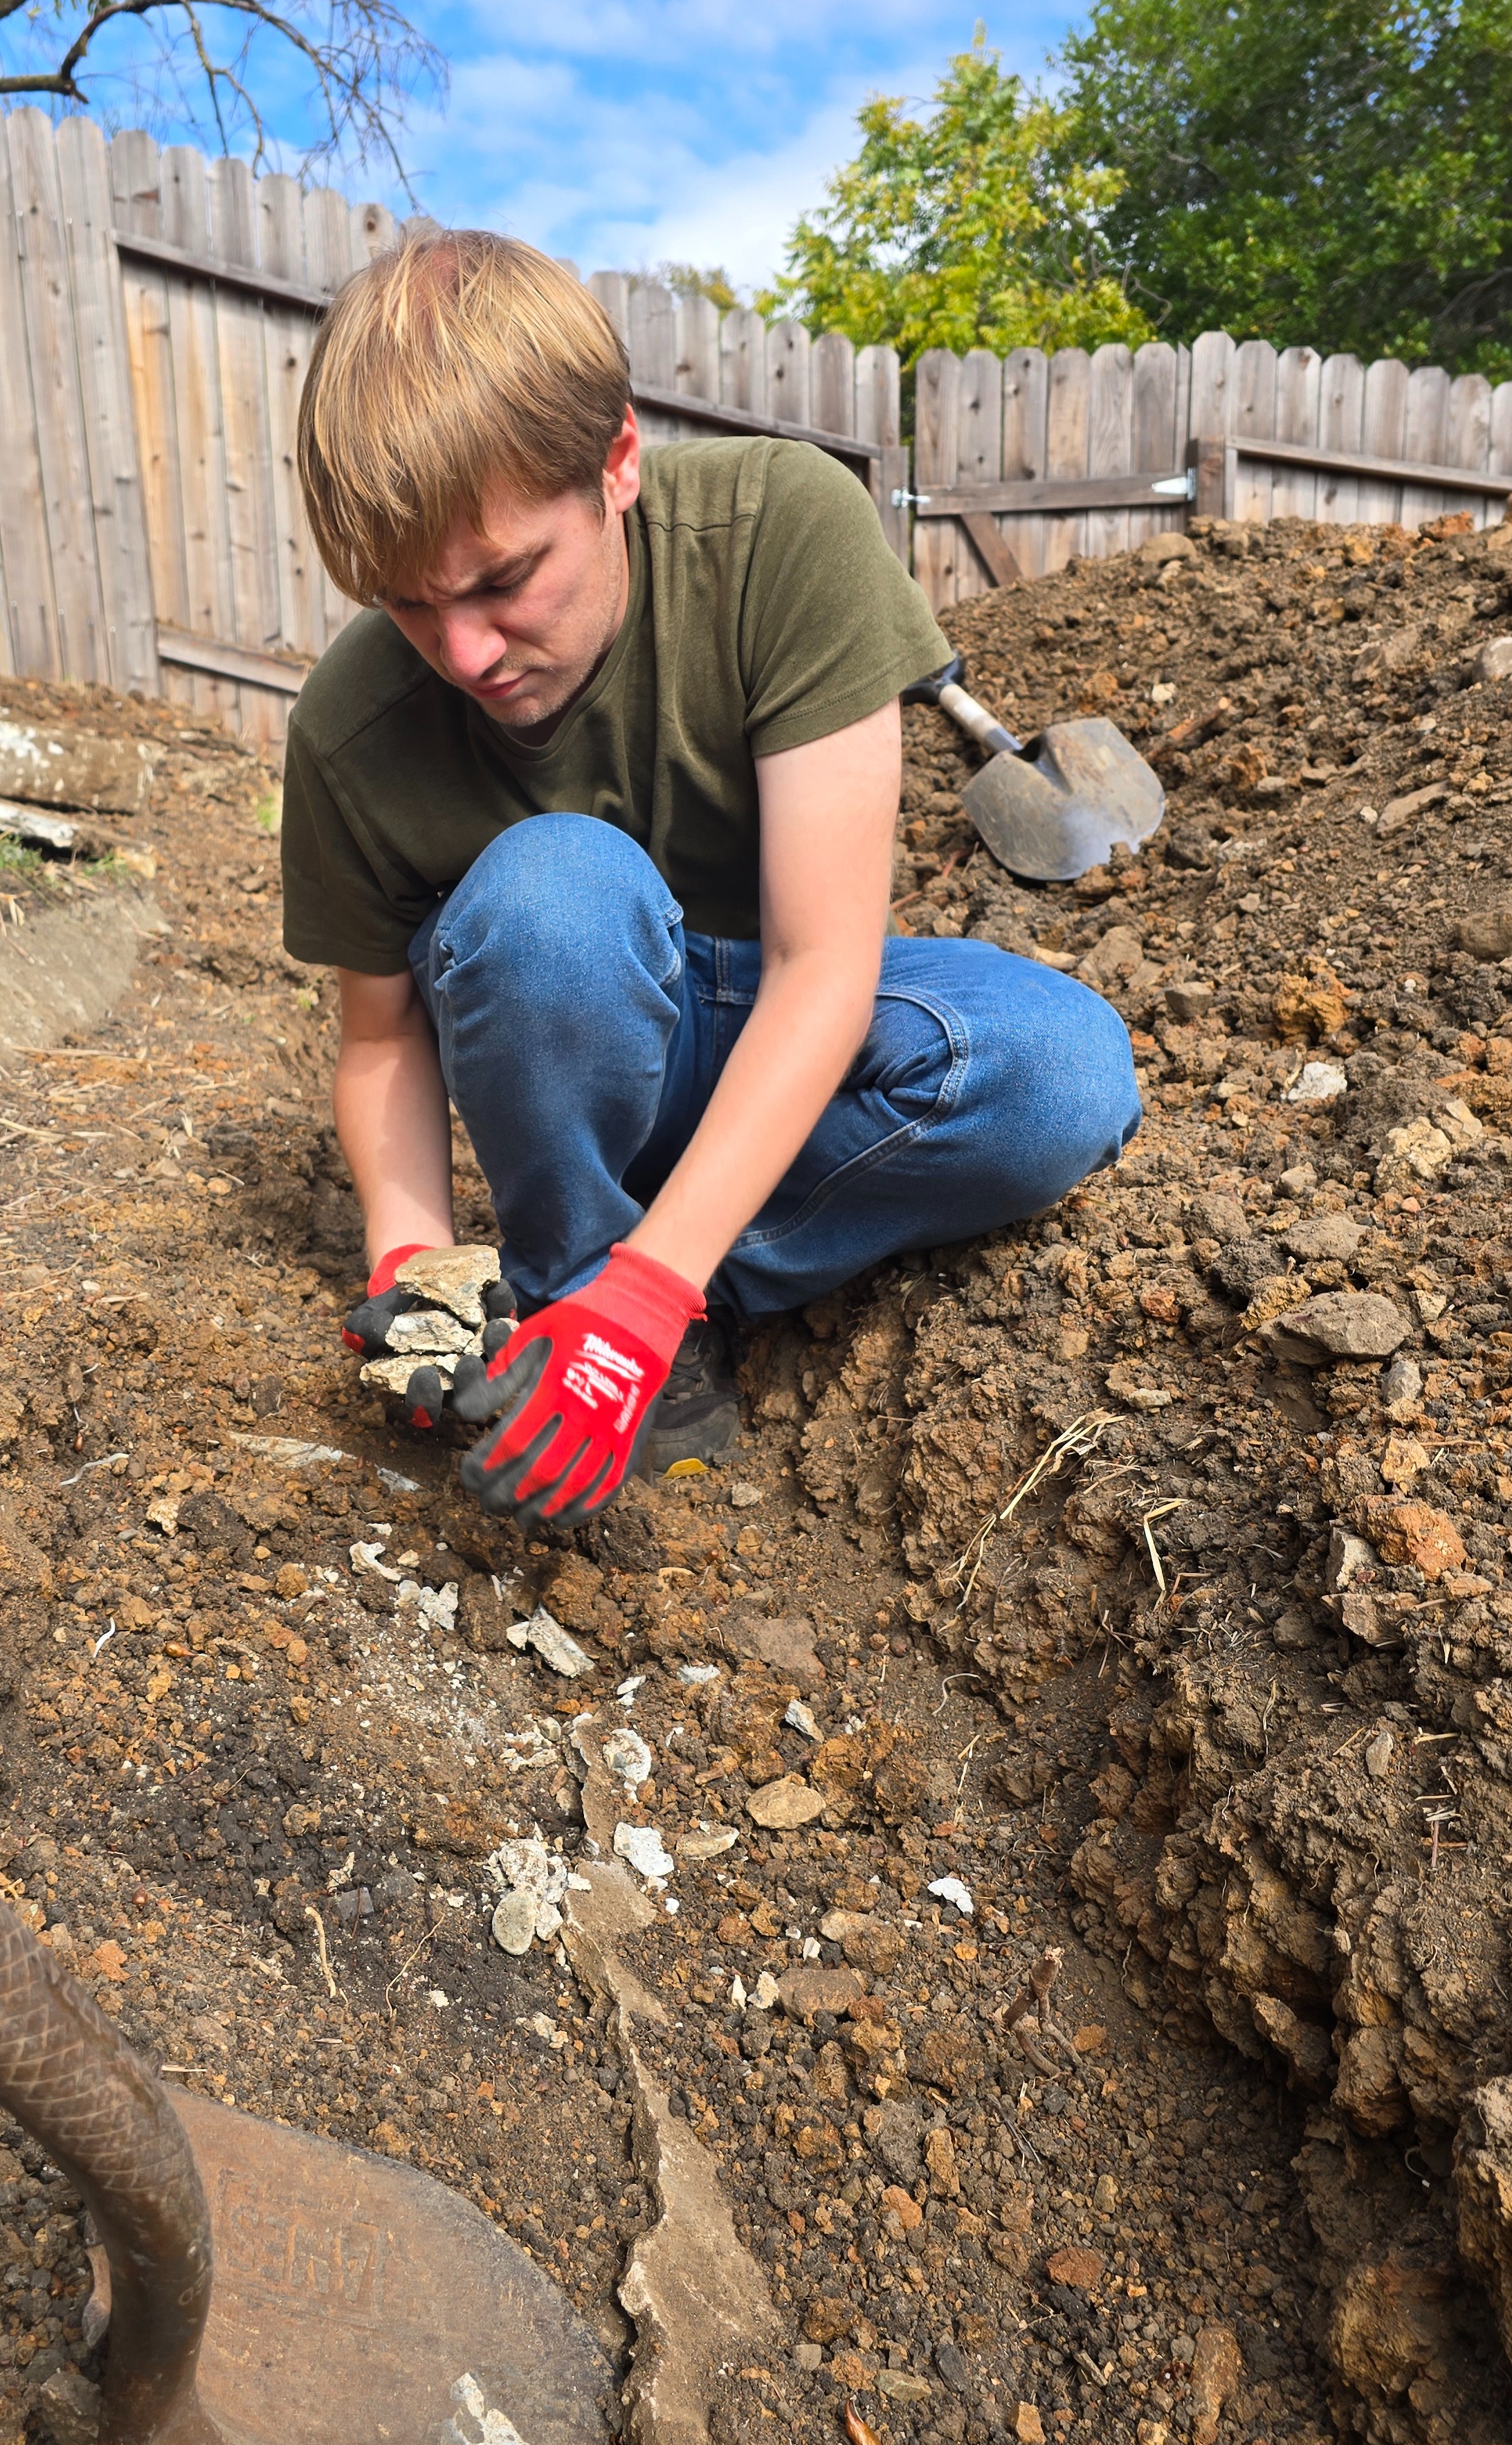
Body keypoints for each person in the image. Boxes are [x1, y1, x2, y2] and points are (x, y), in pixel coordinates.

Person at [281, 227, 1138, 1529]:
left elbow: (823, 965)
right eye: (407, 604)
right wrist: (413, 1256)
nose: (461, 649)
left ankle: (644, 1303)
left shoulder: (783, 534)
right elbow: (382, 1042)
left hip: (786, 1008)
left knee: (1060, 1071)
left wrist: (657, 1282)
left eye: (506, 579)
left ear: (618, 460)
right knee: (552, 894)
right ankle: (574, 1291)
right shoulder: (353, 727)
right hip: (577, 1029)